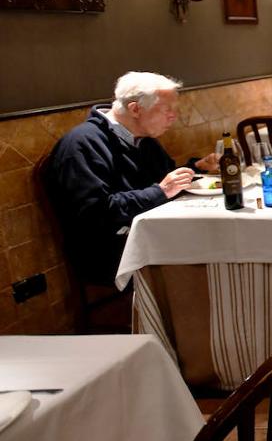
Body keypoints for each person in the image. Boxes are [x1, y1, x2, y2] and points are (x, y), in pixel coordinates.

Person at [43, 71, 219, 285]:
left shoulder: (143, 138)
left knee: (218, 235)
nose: (174, 116)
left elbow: (161, 181)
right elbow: (94, 213)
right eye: (167, 110)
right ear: (135, 109)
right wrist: (160, 191)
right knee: (210, 251)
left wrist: (195, 168)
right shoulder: (81, 145)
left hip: (149, 232)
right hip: (109, 251)